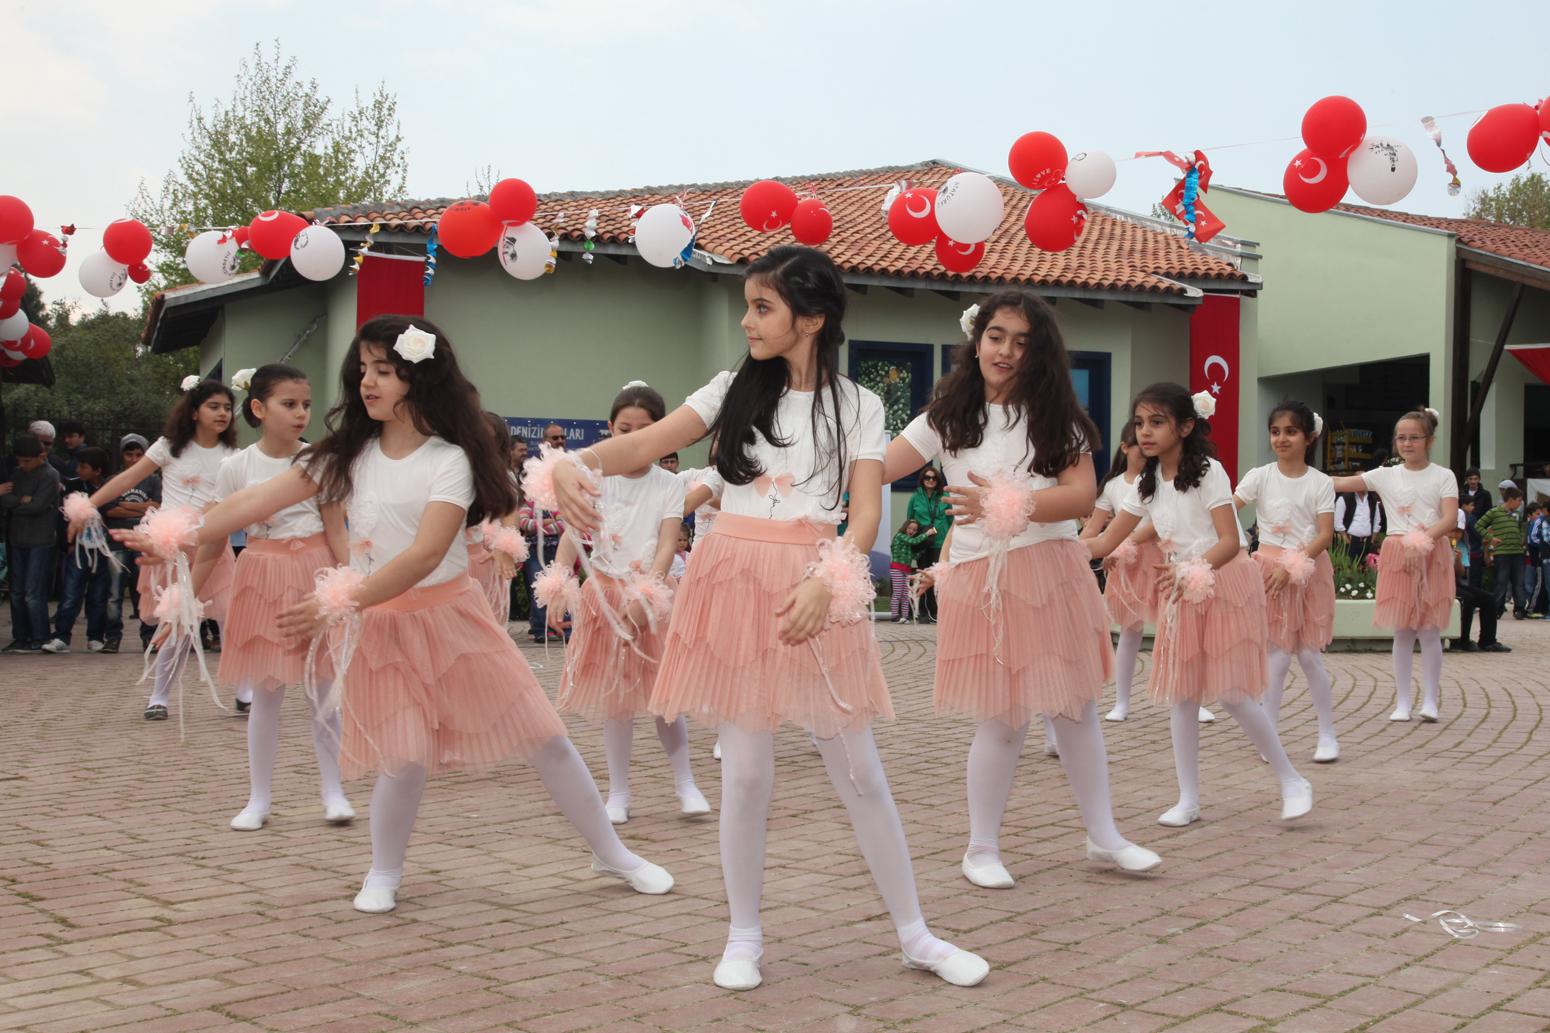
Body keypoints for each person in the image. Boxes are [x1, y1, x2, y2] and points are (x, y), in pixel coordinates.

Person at [118, 314, 673, 912]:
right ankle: (382, 873)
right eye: (363, 369)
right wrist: (176, 534)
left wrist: (341, 601)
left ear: (419, 377)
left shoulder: (449, 459)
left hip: (453, 619)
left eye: (383, 369)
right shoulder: (346, 454)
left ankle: (612, 852)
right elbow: (255, 499)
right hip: (383, 626)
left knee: (545, 737)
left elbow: (426, 553)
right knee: (403, 757)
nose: (368, 382)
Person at [551, 246, 988, 990]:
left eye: (763, 307)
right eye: (747, 306)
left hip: (819, 584)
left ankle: (916, 934)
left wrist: (828, 579)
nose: (747, 322)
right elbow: (646, 442)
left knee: (861, 771)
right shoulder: (731, 389)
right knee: (748, 773)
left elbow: (865, 513)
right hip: (733, 580)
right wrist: (571, 463)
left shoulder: (860, 405)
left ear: (811, 319)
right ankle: (743, 936)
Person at [887, 290, 1161, 890]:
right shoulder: (944, 418)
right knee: (1004, 717)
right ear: (976, 340)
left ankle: (1104, 835)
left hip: (1052, 571)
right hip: (984, 581)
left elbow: (1081, 495)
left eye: (1022, 342)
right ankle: (981, 847)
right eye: (996, 337)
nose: (1006, 351)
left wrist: (1005, 501)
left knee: (1075, 707)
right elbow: (877, 467)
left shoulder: (1056, 416)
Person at [1088, 382, 1312, 828]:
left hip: (1223, 583)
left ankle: (1292, 779)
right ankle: (1188, 799)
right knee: (1183, 693)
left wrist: (1193, 569)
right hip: (1180, 589)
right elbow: (1106, 539)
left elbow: (1230, 541)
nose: (1144, 432)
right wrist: (1055, 549)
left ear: (1186, 426)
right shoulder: (1146, 482)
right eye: (1139, 422)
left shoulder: (1209, 472)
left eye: (1157, 422)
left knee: (1231, 693)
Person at [191, 364, 355, 831]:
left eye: (306, 404)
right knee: (266, 694)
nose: (301, 413)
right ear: (259, 409)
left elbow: (336, 530)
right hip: (261, 575)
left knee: (323, 689)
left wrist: (351, 585)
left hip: (315, 573)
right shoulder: (235, 467)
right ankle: (258, 799)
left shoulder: (321, 460)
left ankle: (334, 791)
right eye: (289, 404)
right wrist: (186, 599)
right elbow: (212, 539)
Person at [550, 381, 709, 825]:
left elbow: (666, 545)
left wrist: (646, 595)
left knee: (664, 698)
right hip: (603, 596)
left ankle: (685, 783)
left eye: (645, 430)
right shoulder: (593, 478)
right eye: (624, 430)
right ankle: (618, 793)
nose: (634, 439)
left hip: (650, 595)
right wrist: (559, 583)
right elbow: (572, 536)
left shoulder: (669, 484)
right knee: (616, 700)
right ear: (609, 429)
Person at [69, 377, 241, 719]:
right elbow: (127, 478)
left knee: (228, 618)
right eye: (213, 406)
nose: (222, 413)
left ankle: (245, 690)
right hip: (168, 545)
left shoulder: (232, 455)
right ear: (194, 411)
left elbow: (232, 502)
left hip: (211, 541)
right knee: (177, 617)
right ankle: (158, 697)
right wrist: (89, 504)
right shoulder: (169, 447)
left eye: (226, 407)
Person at [1082, 422, 1214, 725]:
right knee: (1130, 631)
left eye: (1154, 426)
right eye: (1137, 440)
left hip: (1164, 559)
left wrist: (1122, 544)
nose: (1144, 446)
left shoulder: (1169, 480)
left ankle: (1193, 699)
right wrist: (1072, 547)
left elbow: (1161, 524)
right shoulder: (1116, 486)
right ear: (1125, 448)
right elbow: (1095, 530)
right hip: (1127, 565)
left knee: (1181, 631)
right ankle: (1122, 701)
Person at [1331, 408, 1458, 723]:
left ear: (1429, 440)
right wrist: (1295, 471)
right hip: (1398, 553)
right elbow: (1338, 483)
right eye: (1401, 438)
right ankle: (1402, 702)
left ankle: (1431, 701)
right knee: (1402, 631)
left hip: (1432, 553)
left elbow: (1449, 519)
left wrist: (1420, 541)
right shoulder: (1385, 474)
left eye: (1415, 437)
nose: (1407, 443)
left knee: (1429, 630)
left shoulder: (1443, 475)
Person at [1233, 401, 1340, 762]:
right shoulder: (1260, 476)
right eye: (1275, 431)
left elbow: (1325, 535)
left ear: (1309, 437)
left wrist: (1292, 565)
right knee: (1276, 658)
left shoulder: (1320, 482)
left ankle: (1327, 735)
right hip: (1268, 570)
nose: (1281, 438)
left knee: (1309, 656)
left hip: (1309, 569)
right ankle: (1270, 737)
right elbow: (1226, 509)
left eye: (1291, 432)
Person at [43, 447, 120, 654]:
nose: (78, 470)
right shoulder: (73, 486)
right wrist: (68, 545)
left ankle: (95, 637)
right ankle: (61, 637)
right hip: (78, 550)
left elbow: (113, 512)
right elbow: (63, 517)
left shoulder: (109, 488)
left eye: (83, 467)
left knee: (99, 596)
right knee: (70, 593)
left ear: (97, 470)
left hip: (103, 550)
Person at [1, 437, 62, 653]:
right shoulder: (18, 473)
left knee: (33, 591)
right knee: (17, 591)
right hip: (17, 538)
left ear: (41, 456)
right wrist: (23, 500)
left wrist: (21, 502)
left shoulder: (50, 475)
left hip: (40, 540)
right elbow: (4, 499)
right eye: (19, 460)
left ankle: (39, 634)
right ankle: (21, 636)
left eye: (26, 461)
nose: (22, 465)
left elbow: (37, 506)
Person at [103, 435, 162, 654]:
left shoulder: (154, 481)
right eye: (129, 454)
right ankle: (112, 637)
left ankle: (149, 637)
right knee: (113, 594)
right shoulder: (114, 480)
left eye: (139, 455)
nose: (134, 459)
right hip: (117, 543)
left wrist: (124, 505)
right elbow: (109, 510)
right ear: (122, 456)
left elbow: (157, 506)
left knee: (146, 592)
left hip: (144, 543)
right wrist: (143, 507)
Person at [1451, 511, 1509, 653]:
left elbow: (1461, 574)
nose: (1454, 535)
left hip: (1453, 583)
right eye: (1451, 531)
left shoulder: (1461, 546)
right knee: (1467, 599)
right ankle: (1461, 640)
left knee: (1488, 599)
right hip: (1437, 584)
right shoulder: (1435, 544)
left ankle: (1488, 641)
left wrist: (1458, 560)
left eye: (1458, 531)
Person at [905, 466, 951, 622]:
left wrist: (950, 541)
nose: (930, 480)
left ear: (938, 480)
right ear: (922, 480)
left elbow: (951, 520)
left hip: (940, 542)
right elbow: (910, 520)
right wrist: (911, 539)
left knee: (939, 577)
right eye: (927, 477)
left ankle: (940, 610)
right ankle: (927, 612)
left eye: (934, 478)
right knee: (924, 575)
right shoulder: (915, 497)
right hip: (922, 542)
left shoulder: (945, 497)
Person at [1478, 487, 1527, 620]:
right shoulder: (1494, 512)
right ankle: (1497, 609)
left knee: (1519, 582)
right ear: (1511, 500)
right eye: (1519, 500)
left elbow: (1520, 528)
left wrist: (1521, 540)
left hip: (1518, 552)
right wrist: (1490, 538)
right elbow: (1479, 525)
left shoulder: (1517, 513)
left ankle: (1520, 609)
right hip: (1502, 552)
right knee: (1501, 581)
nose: (1520, 503)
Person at [1334, 472, 1385, 569]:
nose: (1367, 484)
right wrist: (1346, 540)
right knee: (1350, 569)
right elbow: (1337, 521)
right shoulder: (1345, 498)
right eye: (1364, 481)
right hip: (1351, 541)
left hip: (1368, 542)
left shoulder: (1372, 499)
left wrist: (1373, 540)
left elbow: (1377, 521)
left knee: (1368, 570)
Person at [887, 518, 934, 622]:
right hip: (897, 569)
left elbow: (914, 556)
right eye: (910, 528)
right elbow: (914, 541)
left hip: (906, 570)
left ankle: (905, 616)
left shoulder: (908, 544)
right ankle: (894, 616)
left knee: (905, 594)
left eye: (915, 530)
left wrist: (925, 548)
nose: (911, 531)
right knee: (897, 593)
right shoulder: (901, 536)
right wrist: (927, 534)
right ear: (905, 527)